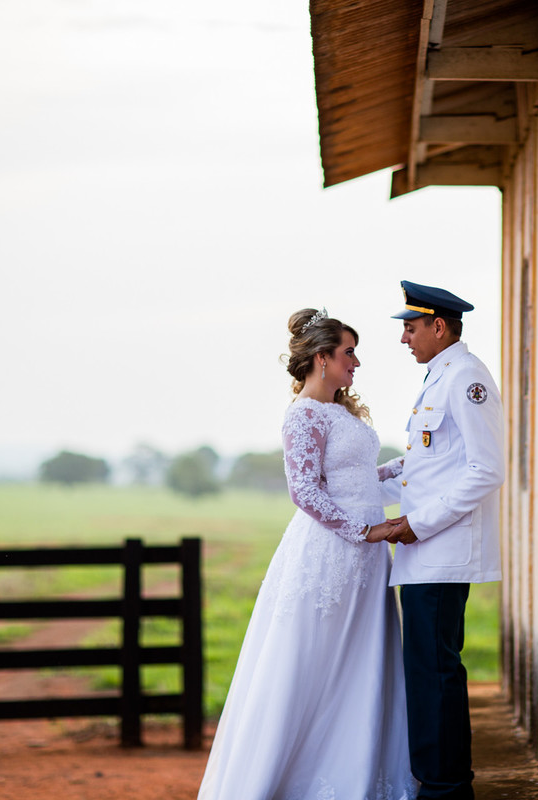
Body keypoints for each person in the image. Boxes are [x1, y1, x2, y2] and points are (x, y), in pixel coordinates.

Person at [198, 308, 417, 800]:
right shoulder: (302, 415)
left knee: (361, 663)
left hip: (367, 556)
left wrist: (417, 463)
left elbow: (362, 479)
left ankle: (356, 768)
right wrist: (368, 530)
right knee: (313, 663)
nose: (356, 362)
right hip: (331, 555)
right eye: (348, 352)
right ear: (322, 358)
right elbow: (304, 491)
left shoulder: (342, 412)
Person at [378, 281, 506, 800]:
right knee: (429, 673)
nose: (404, 338)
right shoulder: (441, 376)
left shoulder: (466, 378)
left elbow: (486, 469)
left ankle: (446, 788)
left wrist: (417, 524)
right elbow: (429, 465)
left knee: (435, 675)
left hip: (441, 554)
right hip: (425, 556)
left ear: (439, 325)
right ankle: (440, 781)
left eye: (410, 327)